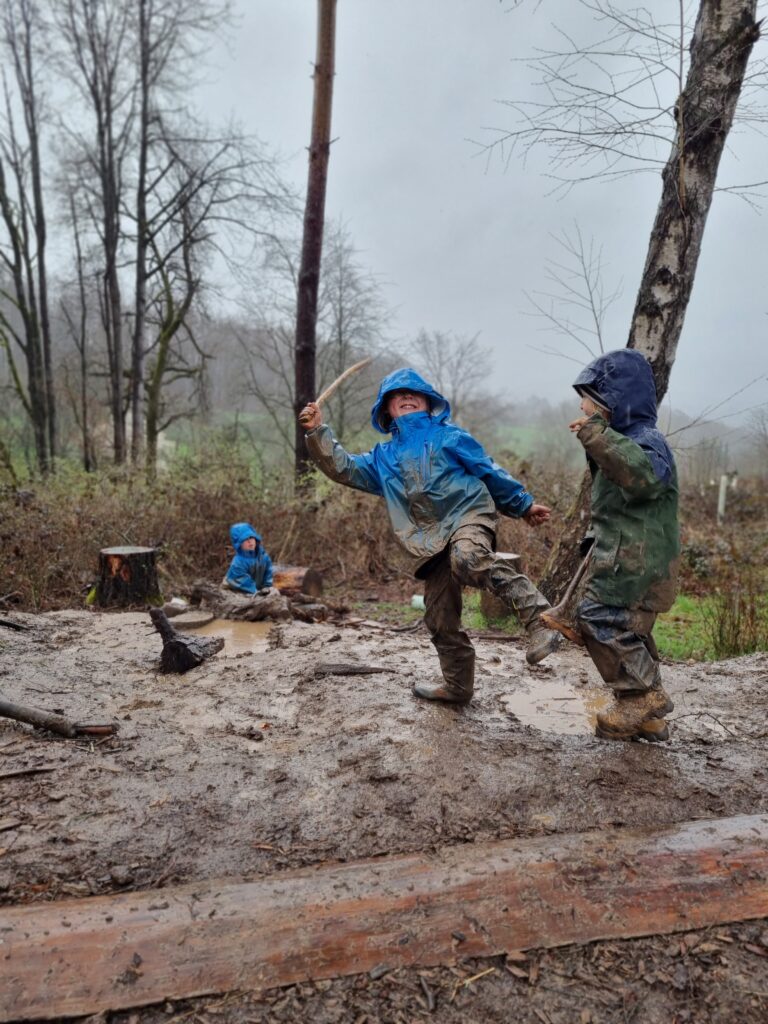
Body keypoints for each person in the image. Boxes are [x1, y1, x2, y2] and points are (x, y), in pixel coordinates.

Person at [298, 367, 562, 706]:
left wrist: (522, 504)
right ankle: (457, 687)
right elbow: (344, 467)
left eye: (414, 393)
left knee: (469, 559)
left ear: (427, 402)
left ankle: (542, 621)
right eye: (397, 395)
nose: (407, 397)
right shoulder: (383, 458)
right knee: (438, 617)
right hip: (428, 541)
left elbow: (489, 470)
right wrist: (317, 431)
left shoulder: (450, 436)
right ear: (386, 408)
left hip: (468, 516)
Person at [568, 348, 680, 742]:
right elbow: (616, 506)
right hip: (628, 559)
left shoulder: (647, 443)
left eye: (588, 399)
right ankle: (648, 718)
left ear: (612, 402)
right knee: (631, 633)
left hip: (638, 564)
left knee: (598, 619)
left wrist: (596, 435)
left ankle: (642, 697)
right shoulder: (625, 441)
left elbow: (643, 478)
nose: (581, 407)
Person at [223, 522, 275, 595]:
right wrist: (257, 591)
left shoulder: (263, 557)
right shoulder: (238, 562)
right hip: (236, 589)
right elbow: (241, 581)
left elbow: (269, 572)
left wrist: (268, 586)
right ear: (239, 544)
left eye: (251, 537)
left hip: (257, 587)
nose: (249, 541)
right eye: (245, 539)